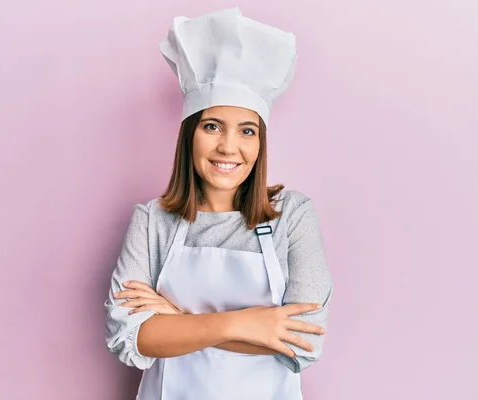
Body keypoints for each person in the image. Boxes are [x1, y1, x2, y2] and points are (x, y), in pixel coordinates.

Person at [105, 8, 334, 400]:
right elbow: (131, 335)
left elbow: (301, 342)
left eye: (247, 131)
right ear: (189, 135)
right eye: (212, 126)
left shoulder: (291, 216)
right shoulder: (153, 221)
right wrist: (242, 325)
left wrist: (176, 320)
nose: (229, 147)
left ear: (260, 143)